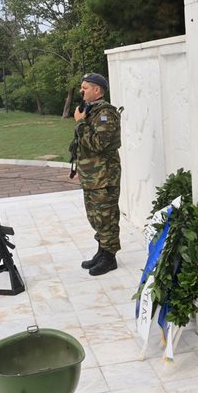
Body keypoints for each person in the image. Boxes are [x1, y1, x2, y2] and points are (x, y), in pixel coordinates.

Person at [73, 73, 122, 277]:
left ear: (97, 91)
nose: (81, 91)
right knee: (95, 217)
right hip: (92, 177)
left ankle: (110, 258)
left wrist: (80, 123)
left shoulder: (106, 114)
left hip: (104, 177)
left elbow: (97, 144)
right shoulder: (91, 111)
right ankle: (102, 251)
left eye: (85, 87)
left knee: (106, 217)